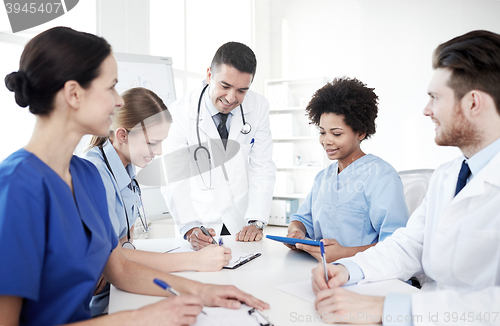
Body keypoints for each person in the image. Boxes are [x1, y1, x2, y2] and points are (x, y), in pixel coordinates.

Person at [0, 26, 268, 326]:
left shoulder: (85, 176)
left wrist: (204, 291)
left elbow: (122, 271)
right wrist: (140, 318)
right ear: (74, 94)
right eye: (111, 87)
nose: (118, 101)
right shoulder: (17, 187)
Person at [312, 30, 500, 325]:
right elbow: (409, 244)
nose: (426, 111)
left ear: (473, 103)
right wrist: (350, 269)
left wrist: (387, 309)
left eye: (435, 98)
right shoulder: (448, 175)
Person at [83, 87, 231, 316]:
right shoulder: (96, 175)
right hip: (93, 304)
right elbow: (115, 259)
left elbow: (123, 244)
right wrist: (195, 261)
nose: (159, 151)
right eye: (152, 143)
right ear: (122, 135)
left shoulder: (125, 167)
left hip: (115, 290)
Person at [161, 42, 276, 250]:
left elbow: (262, 165)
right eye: (225, 86)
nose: (231, 98)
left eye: (242, 90)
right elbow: (172, 175)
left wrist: (256, 220)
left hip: (241, 221)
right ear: (209, 75)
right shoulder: (179, 112)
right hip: (199, 219)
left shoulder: (258, 107)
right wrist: (190, 226)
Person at [285, 77, 409, 263]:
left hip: (365, 275)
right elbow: (302, 219)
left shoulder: (382, 177)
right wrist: (296, 232)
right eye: (322, 132)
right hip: (320, 270)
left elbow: (397, 244)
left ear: (361, 132)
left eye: (336, 134)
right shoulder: (323, 178)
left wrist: (345, 253)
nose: (326, 140)